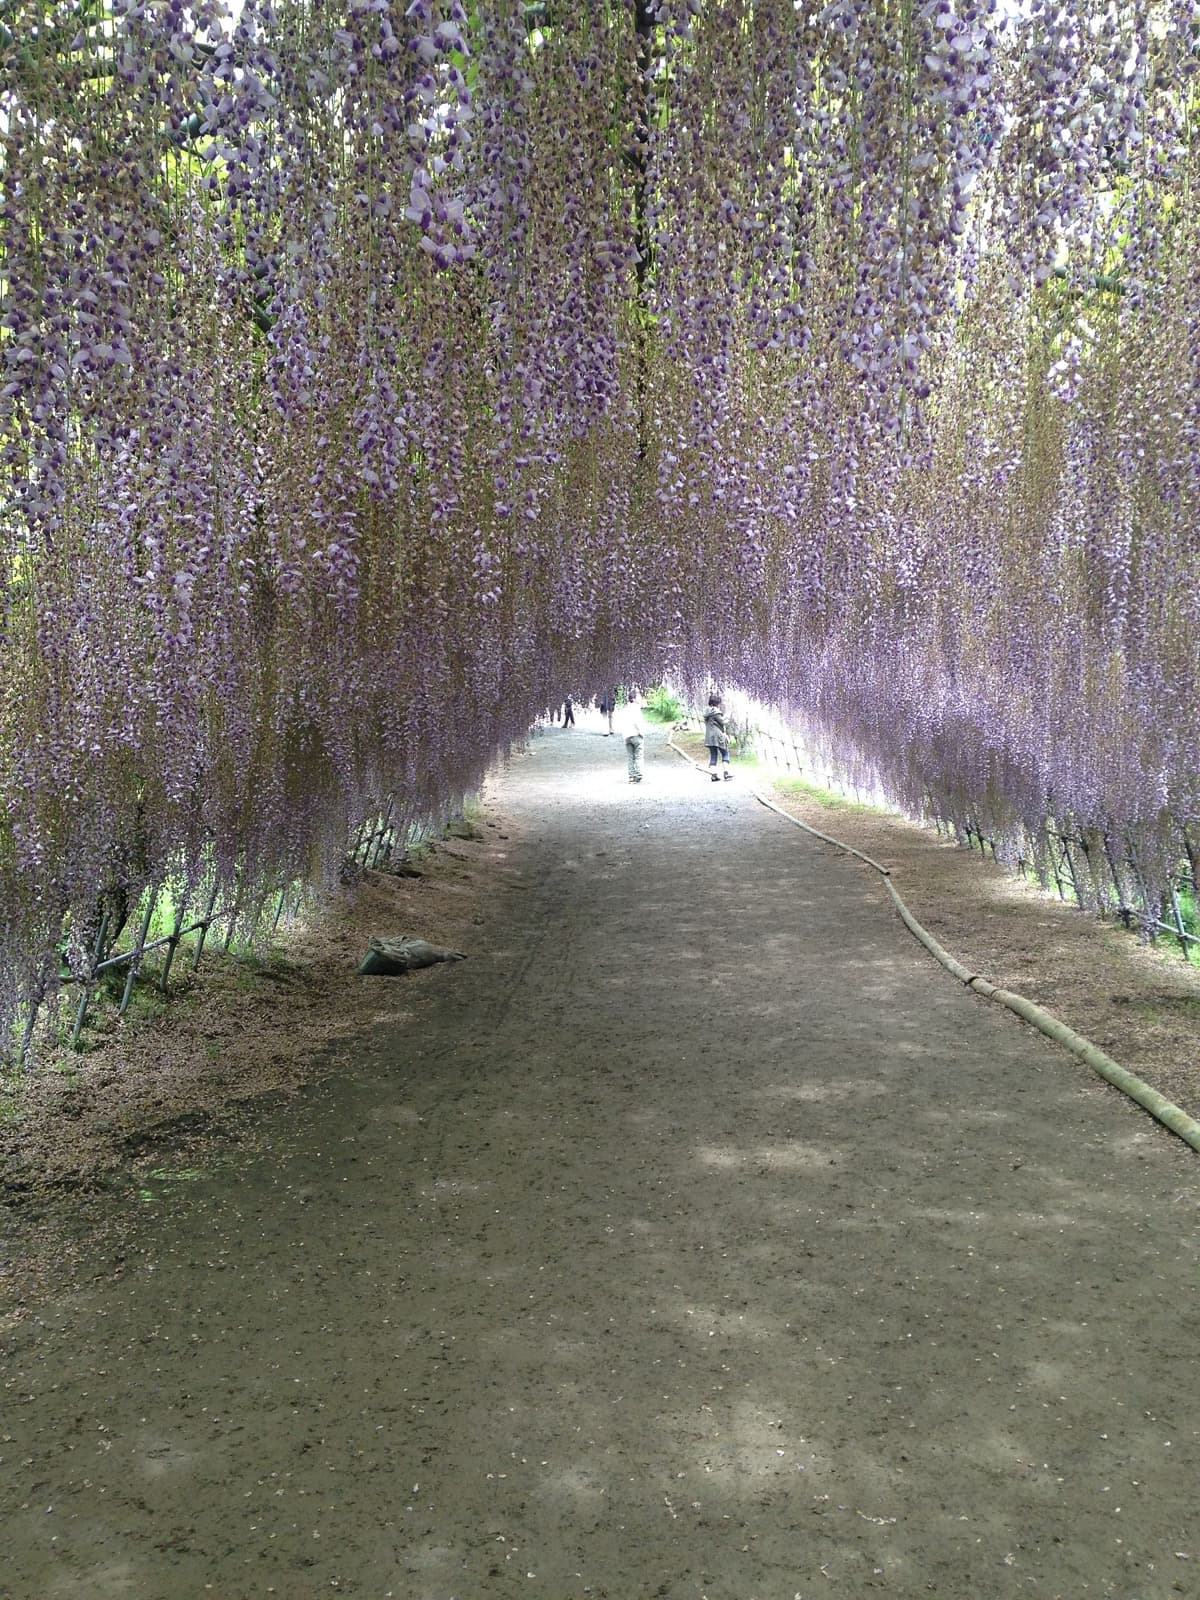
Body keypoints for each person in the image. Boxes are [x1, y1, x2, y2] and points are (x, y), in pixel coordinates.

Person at [617, 689, 645, 783]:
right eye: (638, 697)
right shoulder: (636, 709)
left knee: (630, 757)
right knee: (638, 756)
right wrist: (642, 733)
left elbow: (622, 723)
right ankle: (638, 774)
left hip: (627, 736)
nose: (640, 698)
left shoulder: (625, 709)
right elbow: (637, 723)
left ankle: (631, 776)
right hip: (636, 735)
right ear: (633, 698)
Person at [704, 692, 732, 781]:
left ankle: (714, 775)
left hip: (709, 737)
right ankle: (726, 773)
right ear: (717, 703)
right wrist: (729, 717)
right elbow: (723, 722)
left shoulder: (706, 712)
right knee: (725, 753)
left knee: (713, 755)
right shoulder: (716, 712)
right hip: (718, 736)